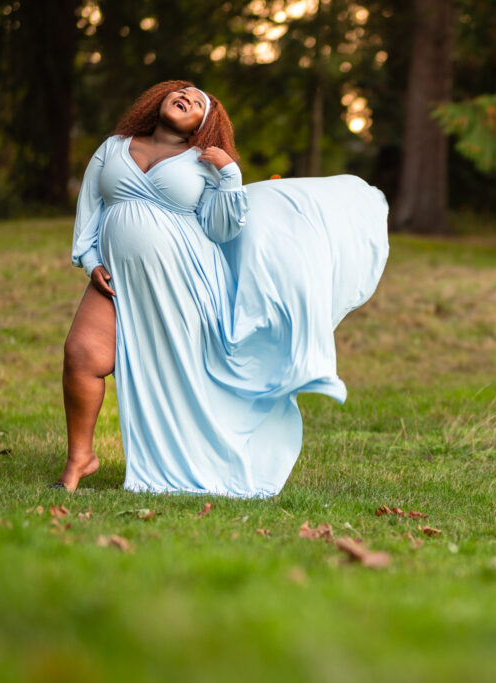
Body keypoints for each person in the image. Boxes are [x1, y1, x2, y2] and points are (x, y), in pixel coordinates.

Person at [55, 80, 388, 496]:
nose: (188, 100)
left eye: (199, 103)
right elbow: (91, 210)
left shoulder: (203, 162)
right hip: (116, 279)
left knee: (191, 378)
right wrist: (91, 262)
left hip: (185, 282)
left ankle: (208, 460)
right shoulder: (114, 147)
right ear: (159, 99)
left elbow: (221, 228)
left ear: (204, 123)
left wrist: (229, 176)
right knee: (81, 355)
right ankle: (79, 459)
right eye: (183, 93)